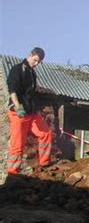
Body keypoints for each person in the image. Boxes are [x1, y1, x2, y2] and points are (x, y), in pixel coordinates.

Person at [6, 47, 53, 175]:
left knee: (46, 134)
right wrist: (17, 106)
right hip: (18, 113)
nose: (36, 64)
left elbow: (32, 91)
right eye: (35, 60)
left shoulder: (32, 73)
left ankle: (44, 163)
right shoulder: (17, 69)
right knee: (18, 145)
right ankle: (12, 173)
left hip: (31, 112)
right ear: (30, 55)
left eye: (39, 62)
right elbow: (13, 90)